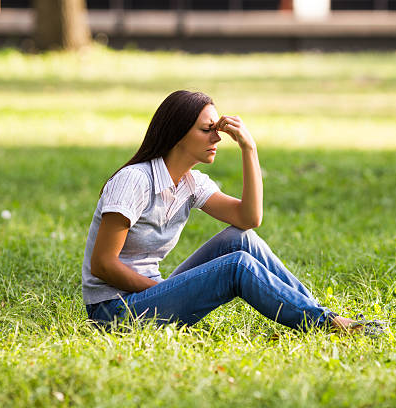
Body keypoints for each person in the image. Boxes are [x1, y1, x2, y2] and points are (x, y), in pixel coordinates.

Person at [82, 90, 374, 334]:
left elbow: (249, 219)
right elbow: (103, 265)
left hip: (148, 296)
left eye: (217, 130)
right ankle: (326, 324)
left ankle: (324, 315)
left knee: (241, 239)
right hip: (115, 312)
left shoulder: (190, 183)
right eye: (207, 130)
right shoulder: (134, 180)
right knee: (235, 266)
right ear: (178, 134)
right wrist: (165, 289)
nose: (217, 139)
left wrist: (249, 148)